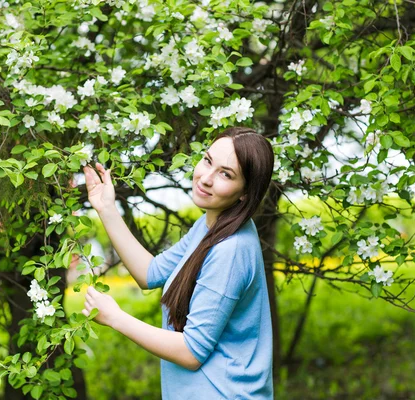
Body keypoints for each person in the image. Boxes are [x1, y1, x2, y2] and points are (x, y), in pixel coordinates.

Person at [81, 126, 275, 399]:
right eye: (208, 161)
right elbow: (151, 273)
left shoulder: (231, 249)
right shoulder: (211, 224)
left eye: (226, 174)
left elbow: (191, 352)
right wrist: (106, 208)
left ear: (245, 192)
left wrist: (115, 318)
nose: (206, 178)